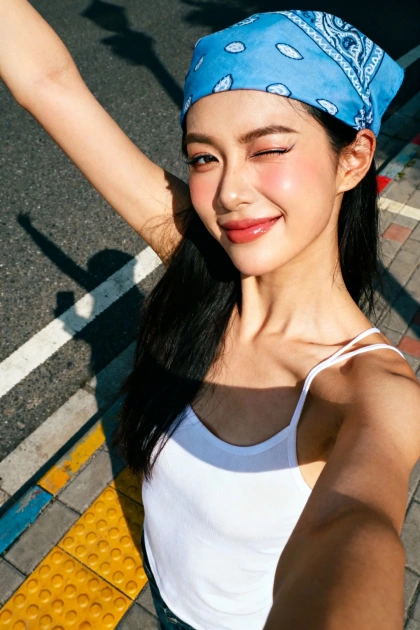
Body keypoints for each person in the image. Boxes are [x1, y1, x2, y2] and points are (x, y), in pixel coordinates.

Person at [1, 3, 419, 628]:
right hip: (162, 585)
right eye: (204, 158)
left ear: (353, 160)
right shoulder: (204, 270)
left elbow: (357, 527)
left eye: (267, 149)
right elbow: (48, 84)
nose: (229, 193)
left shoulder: (371, 391)